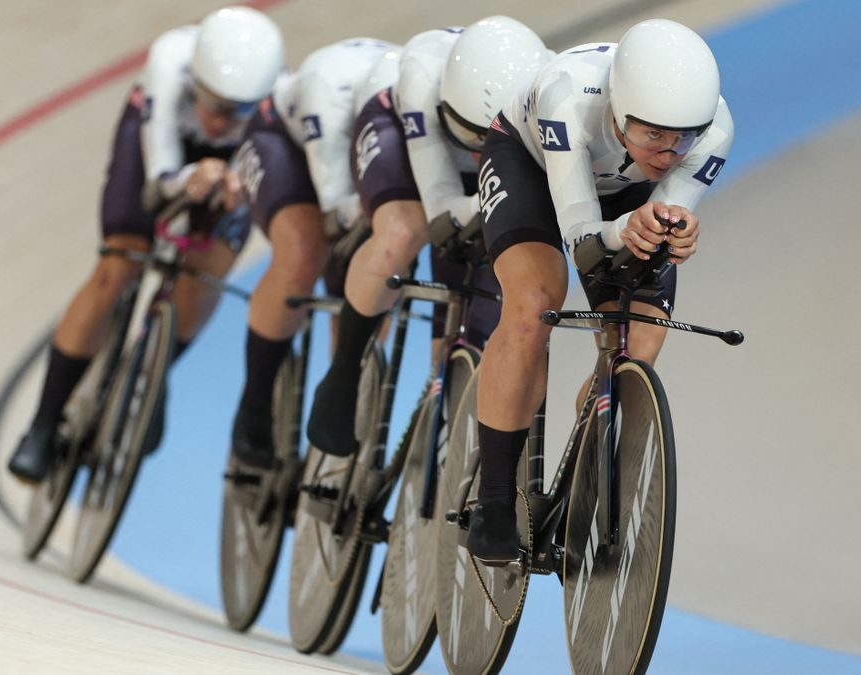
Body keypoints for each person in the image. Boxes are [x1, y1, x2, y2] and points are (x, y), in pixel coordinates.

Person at [467, 19, 734, 561]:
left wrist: (674, 229)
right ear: (616, 109)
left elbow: (668, 210)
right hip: (534, 168)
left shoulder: (716, 129)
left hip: (623, 195)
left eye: (684, 136)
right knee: (533, 303)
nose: (670, 151)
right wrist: (627, 227)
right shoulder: (568, 95)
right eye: (653, 133)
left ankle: (585, 474)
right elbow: (583, 237)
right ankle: (493, 497)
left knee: (639, 347)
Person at [8, 7, 284, 483]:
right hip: (159, 148)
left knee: (207, 272)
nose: (221, 122)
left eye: (237, 111)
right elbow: (158, 185)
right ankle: (42, 425)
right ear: (194, 81)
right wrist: (194, 177)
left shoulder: (275, 103)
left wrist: (236, 189)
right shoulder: (170, 62)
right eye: (213, 104)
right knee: (119, 265)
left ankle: (150, 374)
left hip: (226, 167)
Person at [305, 17, 551, 458]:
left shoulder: (550, 87)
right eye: (471, 136)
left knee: (481, 319)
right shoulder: (420, 73)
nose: (479, 152)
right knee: (405, 229)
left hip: (507, 150)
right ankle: (341, 379)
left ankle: (443, 435)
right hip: (399, 133)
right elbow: (440, 210)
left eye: (488, 140)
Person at [229, 38, 399, 468]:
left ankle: (339, 410)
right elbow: (335, 212)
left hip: (358, 149)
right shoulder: (330, 93)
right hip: (282, 143)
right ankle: (254, 405)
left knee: (384, 272)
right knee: (307, 251)